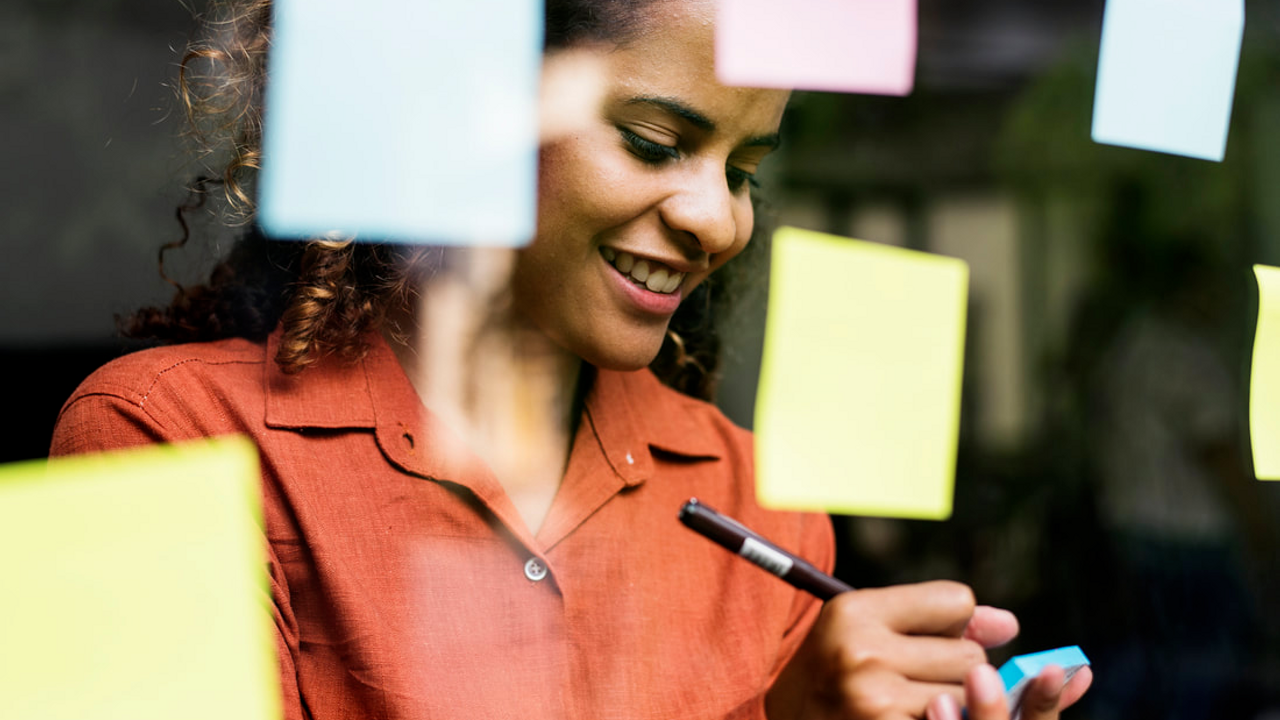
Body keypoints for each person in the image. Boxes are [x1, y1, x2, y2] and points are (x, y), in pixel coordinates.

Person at [50, 1, 1090, 718]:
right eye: (650, 142)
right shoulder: (153, 445)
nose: (714, 218)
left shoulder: (754, 495)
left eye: (744, 171)